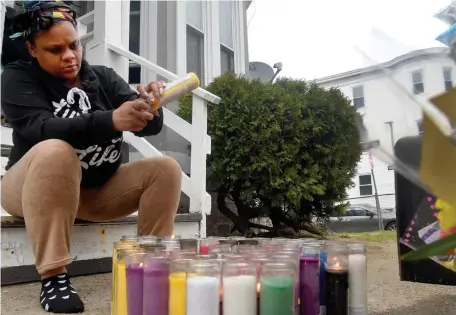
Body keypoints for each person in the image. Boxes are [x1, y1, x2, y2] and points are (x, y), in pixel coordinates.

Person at [1, 2, 182, 313]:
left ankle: (150, 266)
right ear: (32, 49)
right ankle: (54, 276)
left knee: (165, 168)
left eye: (73, 45)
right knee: (56, 149)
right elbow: (40, 129)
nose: (69, 55)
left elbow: (149, 128)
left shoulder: (104, 78)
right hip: (28, 187)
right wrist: (110, 120)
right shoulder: (17, 78)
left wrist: (149, 105)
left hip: (96, 193)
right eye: (55, 50)